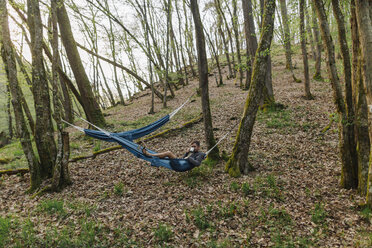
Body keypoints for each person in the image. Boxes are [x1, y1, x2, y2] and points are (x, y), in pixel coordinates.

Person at [141, 140, 206, 167]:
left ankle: (148, 154)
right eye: (192, 146)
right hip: (181, 162)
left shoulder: (200, 154)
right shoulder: (192, 153)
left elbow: (198, 164)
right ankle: (150, 155)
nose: (193, 148)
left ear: (198, 147)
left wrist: (189, 158)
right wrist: (186, 153)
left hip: (181, 165)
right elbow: (184, 158)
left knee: (168, 153)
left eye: (194, 146)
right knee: (165, 157)